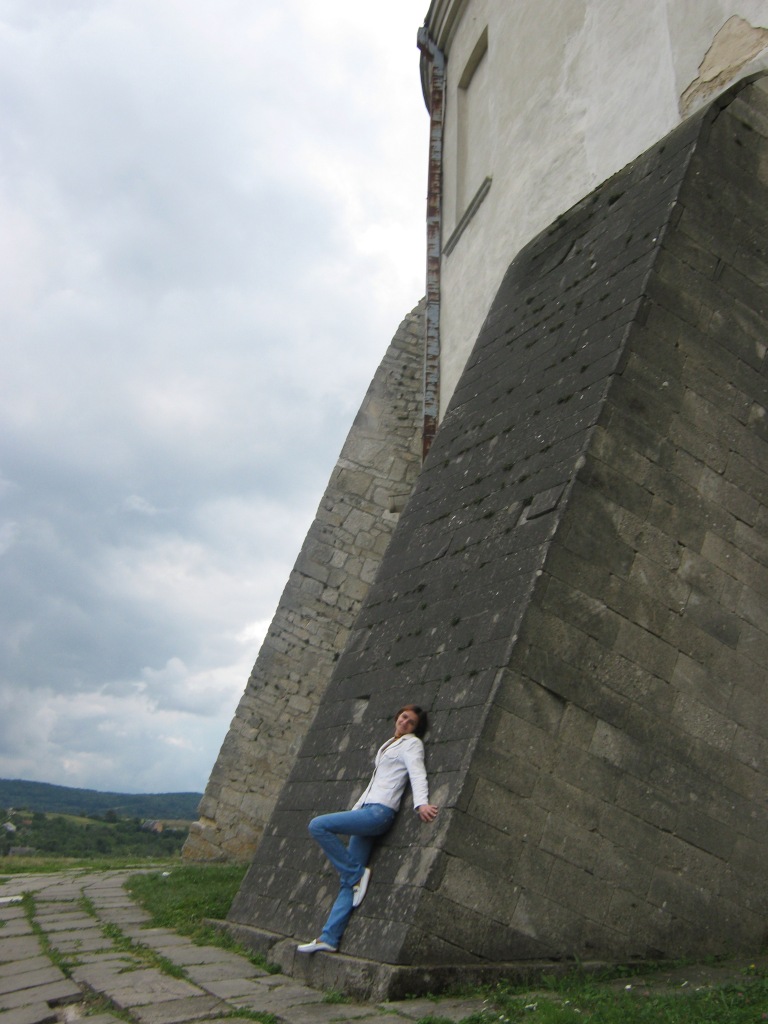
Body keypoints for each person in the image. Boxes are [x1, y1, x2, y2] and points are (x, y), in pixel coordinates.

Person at [297, 704, 439, 954]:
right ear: (397, 716)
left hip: (379, 813)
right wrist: (356, 809)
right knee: (347, 884)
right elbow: (375, 782)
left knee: (318, 825)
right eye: (404, 717)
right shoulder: (389, 743)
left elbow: (417, 773)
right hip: (366, 810)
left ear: (415, 729)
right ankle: (330, 937)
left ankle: (356, 874)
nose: (405, 722)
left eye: (411, 722)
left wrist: (421, 804)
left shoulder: (412, 744)